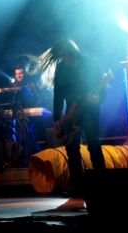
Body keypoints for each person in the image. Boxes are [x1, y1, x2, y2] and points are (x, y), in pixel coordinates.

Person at [38, 38, 106, 196]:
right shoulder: (61, 67)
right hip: (72, 111)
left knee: (93, 144)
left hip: (90, 109)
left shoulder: (89, 63)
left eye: (65, 55)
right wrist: (56, 119)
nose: (64, 59)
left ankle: (102, 184)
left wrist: (98, 98)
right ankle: (77, 186)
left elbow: (101, 88)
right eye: (61, 56)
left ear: (71, 52)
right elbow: (58, 94)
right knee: (71, 147)